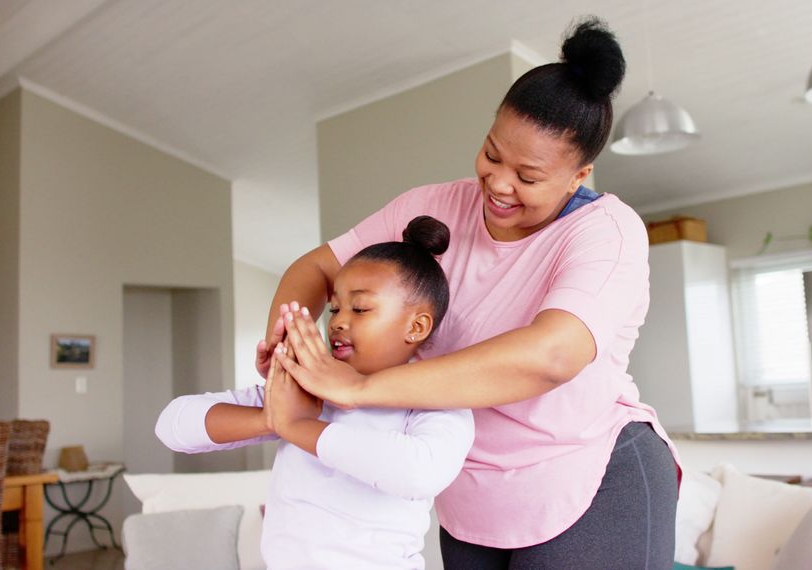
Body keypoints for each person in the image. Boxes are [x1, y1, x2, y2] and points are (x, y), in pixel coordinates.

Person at [262, 16, 680, 569]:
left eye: (528, 177)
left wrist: (360, 387)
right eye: (492, 154)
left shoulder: (607, 231)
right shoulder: (435, 205)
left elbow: (551, 354)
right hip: (468, 488)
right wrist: (287, 347)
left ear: (579, 175)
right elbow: (317, 268)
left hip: (591, 474)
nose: (500, 184)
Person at [156, 216, 474, 569]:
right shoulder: (302, 393)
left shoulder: (435, 401)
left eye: (360, 308)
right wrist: (272, 417)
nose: (337, 321)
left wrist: (297, 426)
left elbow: (418, 473)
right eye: (335, 307)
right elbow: (173, 426)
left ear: (416, 326)